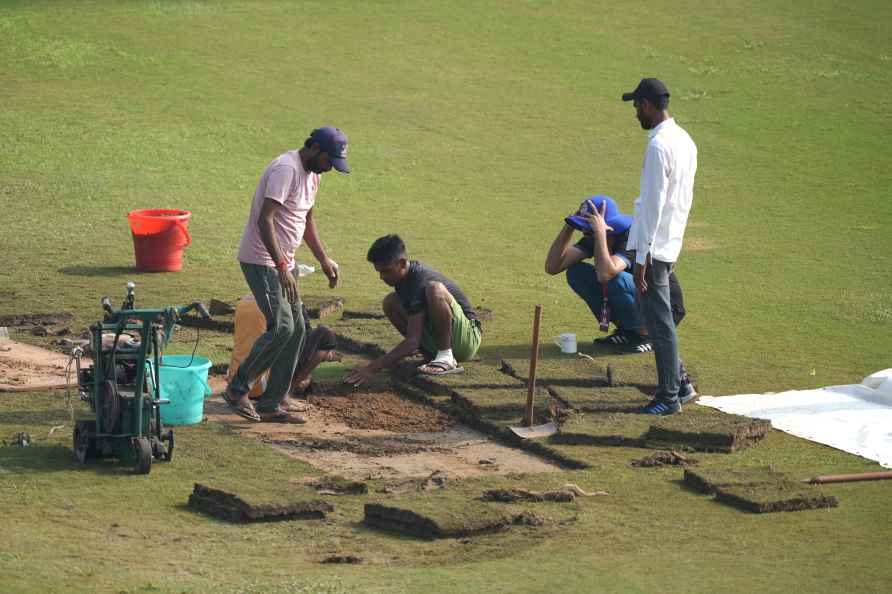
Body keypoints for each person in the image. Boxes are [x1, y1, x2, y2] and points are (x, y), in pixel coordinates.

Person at [222, 126, 349, 423]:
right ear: (315, 148)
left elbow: (307, 219)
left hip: (283, 262)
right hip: (262, 260)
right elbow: (265, 221)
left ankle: (272, 401)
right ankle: (237, 388)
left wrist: (323, 258)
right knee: (281, 326)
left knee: (298, 330)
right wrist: (281, 267)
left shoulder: (313, 175)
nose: (330, 168)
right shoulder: (285, 169)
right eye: (329, 160)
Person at [544, 195, 695, 400]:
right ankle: (629, 330)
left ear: (605, 225)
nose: (584, 233)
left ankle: (645, 334)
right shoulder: (597, 236)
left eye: (587, 228)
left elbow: (605, 273)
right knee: (576, 272)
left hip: (665, 310)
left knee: (616, 279)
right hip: (639, 298)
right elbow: (552, 267)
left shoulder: (632, 236)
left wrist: (598, 235)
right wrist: (569, 226)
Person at [622, 78, 698, 415]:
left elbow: (653, 204)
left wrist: (642, 257)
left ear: (649, 105)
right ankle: (679, 383)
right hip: (669, 242)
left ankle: (669, 396)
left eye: (638, 106)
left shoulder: (658, 147)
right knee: (658, 320)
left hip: (653, 249)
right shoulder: (685, 140)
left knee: (659, 323)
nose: (636, 113)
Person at [344, 234, 482, 386]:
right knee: (390, 302)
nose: (382, 277)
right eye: (379, 272)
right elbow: (413, 337)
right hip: (444, 338)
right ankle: (432, 356)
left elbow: (412, 341)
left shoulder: (420, 279)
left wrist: (372, 368)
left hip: (467, 340)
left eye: (386, 271)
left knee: (434, 288)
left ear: (402, 263)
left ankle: (446, 356)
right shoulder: (402, 281)